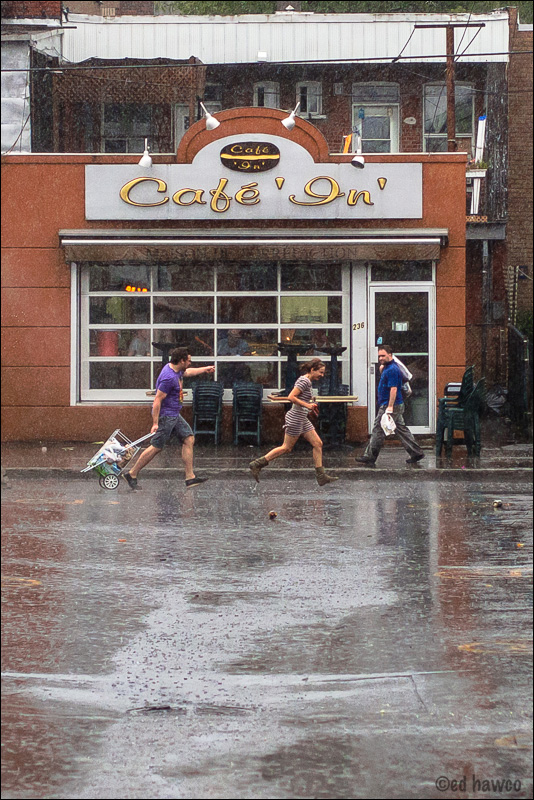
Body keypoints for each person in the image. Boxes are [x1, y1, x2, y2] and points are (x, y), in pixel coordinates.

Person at [124, 347, 215, 489]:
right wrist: (155, 423)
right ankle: (132, 473)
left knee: (188, 438)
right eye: (189, 361)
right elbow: (157, 401)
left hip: (174, 414)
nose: (190, 363)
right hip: (166, 416)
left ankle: (190, 477)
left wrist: (205, 369)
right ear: (182, 360)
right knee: (156, 447)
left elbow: (188, 372)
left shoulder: (175, 369)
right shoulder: (169, 378)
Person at [249, 358, 339, 486]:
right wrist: (307, 406)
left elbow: (295, 396)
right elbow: (292, 397)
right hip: (296, 418)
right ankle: (257, 464)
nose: (322, 375)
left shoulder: (306, 381)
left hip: (302, 418)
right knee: (286, 448)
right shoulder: (304, 381)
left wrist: (309, 402)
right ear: (312, 370)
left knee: (318, 443)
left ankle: (321, 476)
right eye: (321, 372)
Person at [356, 344, 424, 466]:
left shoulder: (392, 370)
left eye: (383, 356)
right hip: (393, 404)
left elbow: (394, 389)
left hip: (390, 405)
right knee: (401, 429)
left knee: (378, 428)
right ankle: (416, 452)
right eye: (379, 356)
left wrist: (390, 407)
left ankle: (370, 456)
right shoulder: (388, 367)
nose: (381, 358)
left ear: (390, 355)